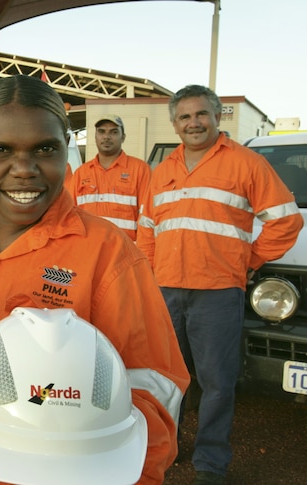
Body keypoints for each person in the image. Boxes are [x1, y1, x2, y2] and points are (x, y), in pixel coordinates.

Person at [0, 75, 190, 484]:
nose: (24, 170)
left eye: (45, 149)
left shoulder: (108, 253)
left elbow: (154, 393)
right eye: (0, 150)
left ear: (67, 150)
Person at [136, 85, 303, 485]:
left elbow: (286, 221)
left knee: (215, 382)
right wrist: (154, 280)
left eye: (201, 115)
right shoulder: (164, 171)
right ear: (175, 123)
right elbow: (147, 232)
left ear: (216, 117)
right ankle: (166, 448)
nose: (193, 123)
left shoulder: (246, 164)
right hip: (168, 292)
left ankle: (210, 464)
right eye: (185, 117)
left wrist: (247, 260)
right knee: (167, 378)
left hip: (217, 294)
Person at [69, 115, 150, 241]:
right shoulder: (81, 173)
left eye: (114, 132)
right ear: (95, 137)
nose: (106, 137)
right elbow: (71, 214)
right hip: (89, 249)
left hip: (125, 250)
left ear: (123, 137)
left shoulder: (140, 169)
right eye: (101, 131)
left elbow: (147, 215)